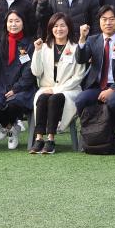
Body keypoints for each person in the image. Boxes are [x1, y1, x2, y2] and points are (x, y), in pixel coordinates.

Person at [29, 13, 85, 154]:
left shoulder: (76, 48)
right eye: (55, 26)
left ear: (69, 28)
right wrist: (37, 51)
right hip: (46, 87)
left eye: (62, 25)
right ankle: (39, 138)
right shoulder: (44, 47)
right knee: (42, 98)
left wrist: (58, 89)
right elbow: (36, 72)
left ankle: (51, 139)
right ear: (50, 28)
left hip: (70, 89)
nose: (59, 29)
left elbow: (79, 76)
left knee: (55, 97)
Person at [74, 6, 115, 133]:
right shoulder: (92, 40)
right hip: (97, 86)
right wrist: (82, 39)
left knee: (113, 101)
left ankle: (108, 135)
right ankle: (89, 134)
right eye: (104, 19)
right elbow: (81, 59)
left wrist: (112, 90)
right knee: (81, 100)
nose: (108, 23)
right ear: (99, 21)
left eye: (112, 19)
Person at [0, 11, 37, 149]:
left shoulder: (29, 44)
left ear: (23, 23)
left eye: (17, 21)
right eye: (10, 21)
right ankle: (10, 127)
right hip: (1, 87)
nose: (13, 24)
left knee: (13, 104)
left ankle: (10, 129)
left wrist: (16, 88)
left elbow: (29, 71)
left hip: (23, 88)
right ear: (6, 24)